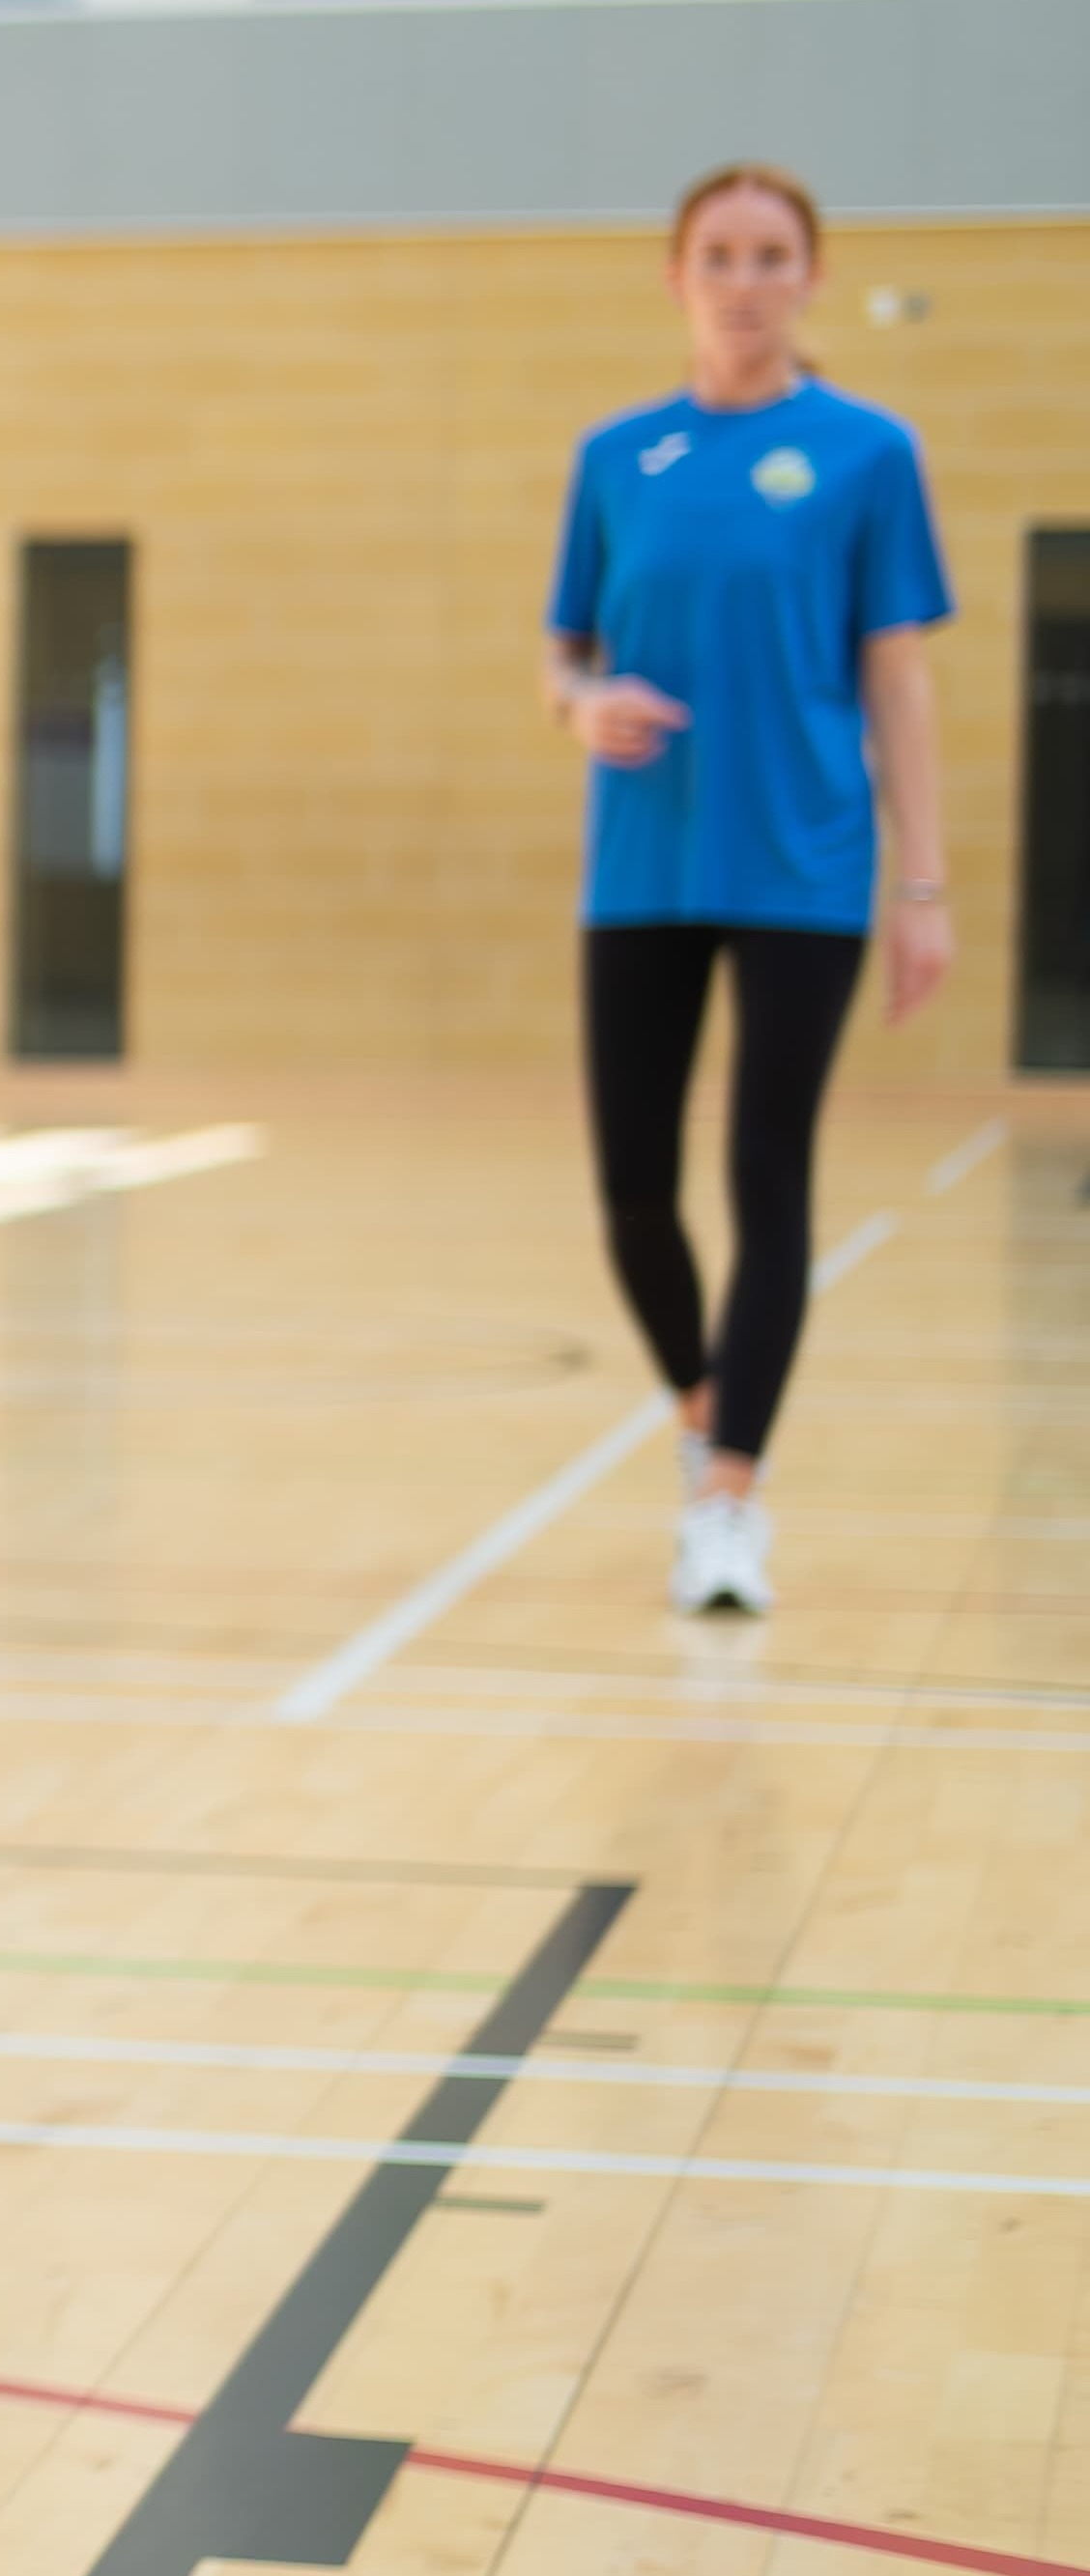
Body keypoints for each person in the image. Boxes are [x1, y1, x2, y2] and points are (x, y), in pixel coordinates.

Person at [548, 159, 955, 1618]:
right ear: (677, 277)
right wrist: (578, 705)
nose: (743, 280)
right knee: (632, 1191)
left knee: (767, 1172)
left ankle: (728, 1504)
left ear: (811, 278)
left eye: (771, 255)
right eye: (717, 255)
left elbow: (896, 680)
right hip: (643, 866)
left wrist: (924, 883)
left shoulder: (868, 454)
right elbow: (566, 650)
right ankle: (704, 1408)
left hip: (806, 866)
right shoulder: (616, 458)